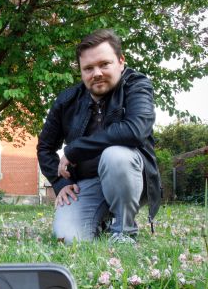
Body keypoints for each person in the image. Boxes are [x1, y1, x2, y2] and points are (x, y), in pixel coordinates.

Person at [37, 29, 160, 243]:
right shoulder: (67, 101)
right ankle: (102, 220)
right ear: (81, 71)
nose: (97, 73)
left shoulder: (137, 85)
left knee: (116, 156)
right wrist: (58, 183)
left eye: (104, 64)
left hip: (130, 176)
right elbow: (44, 147)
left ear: (121, 62)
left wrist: (75, 149)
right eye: (88, 68)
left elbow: (135, 130)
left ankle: (124, 231)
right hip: (87, 183)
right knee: (68, 238)